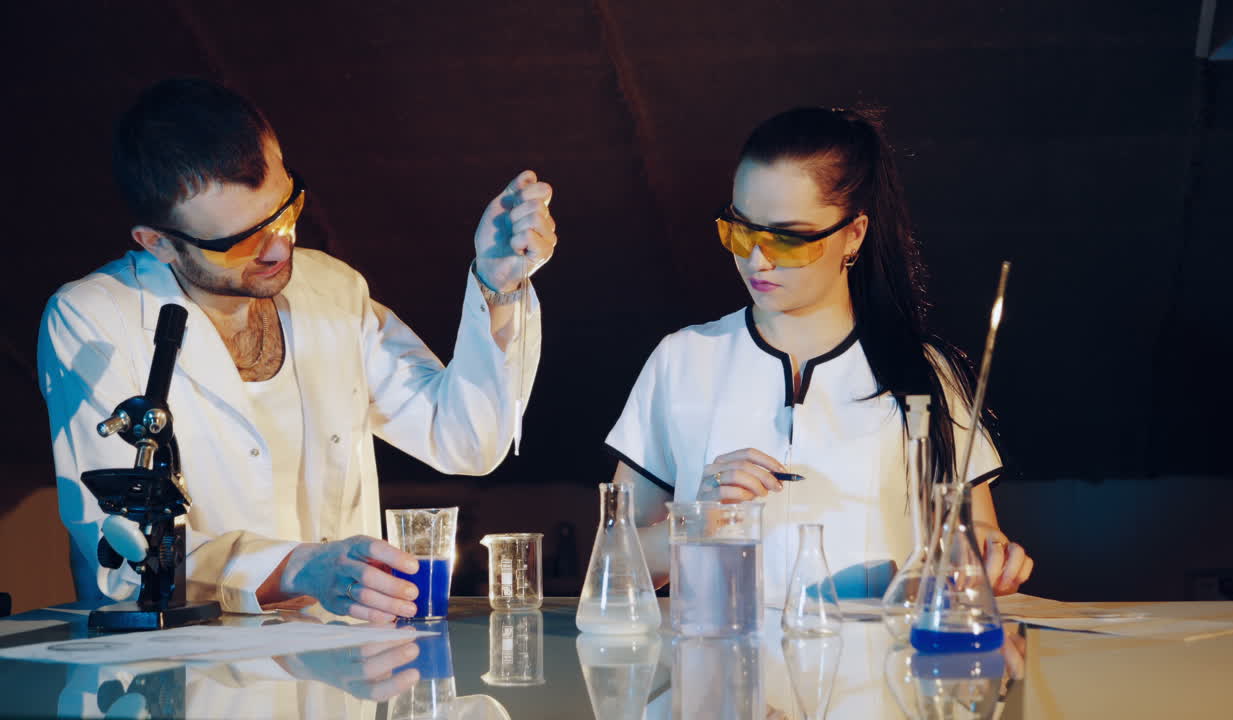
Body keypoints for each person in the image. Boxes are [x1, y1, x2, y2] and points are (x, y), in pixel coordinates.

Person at [37, 77, 558, 623]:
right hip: (186, 684)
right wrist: (300, 568)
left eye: (286, 208)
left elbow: (466, 440)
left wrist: (498, 285)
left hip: (341, 677)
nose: (281, 246)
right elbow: (120, 558)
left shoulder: (332, 290)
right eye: (239, 241)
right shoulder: (96, 319)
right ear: (158, 242)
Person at [605, 107, 1032, 604]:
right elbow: (614, 568)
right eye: (741, 230)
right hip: (719, 672)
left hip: (878, 673)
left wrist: (991, 559)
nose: (757, 259)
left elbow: (976, 548)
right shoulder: (682, 361)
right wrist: (697, 519)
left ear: (854, 233)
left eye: (789, 239)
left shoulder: (925, 372)